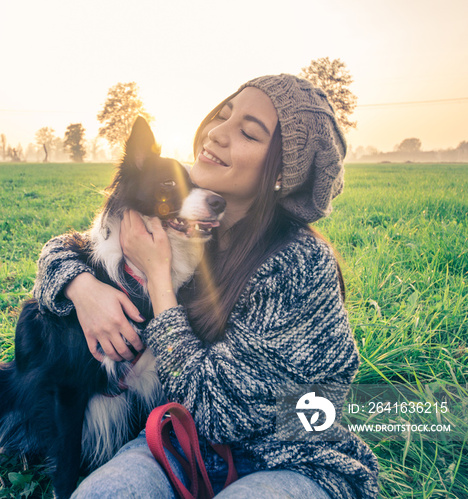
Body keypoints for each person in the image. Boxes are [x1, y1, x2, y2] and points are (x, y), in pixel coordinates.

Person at [31, 74, 379, 498]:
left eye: (249, 132)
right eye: (222, 115)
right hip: (182, 443)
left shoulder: (301, 265)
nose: (217, 133)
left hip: (296, 459)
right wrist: (82, 287)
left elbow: (218, 412)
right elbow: (64, 249)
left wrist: (159, 281)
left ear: (283, 173)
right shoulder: (192, 233)